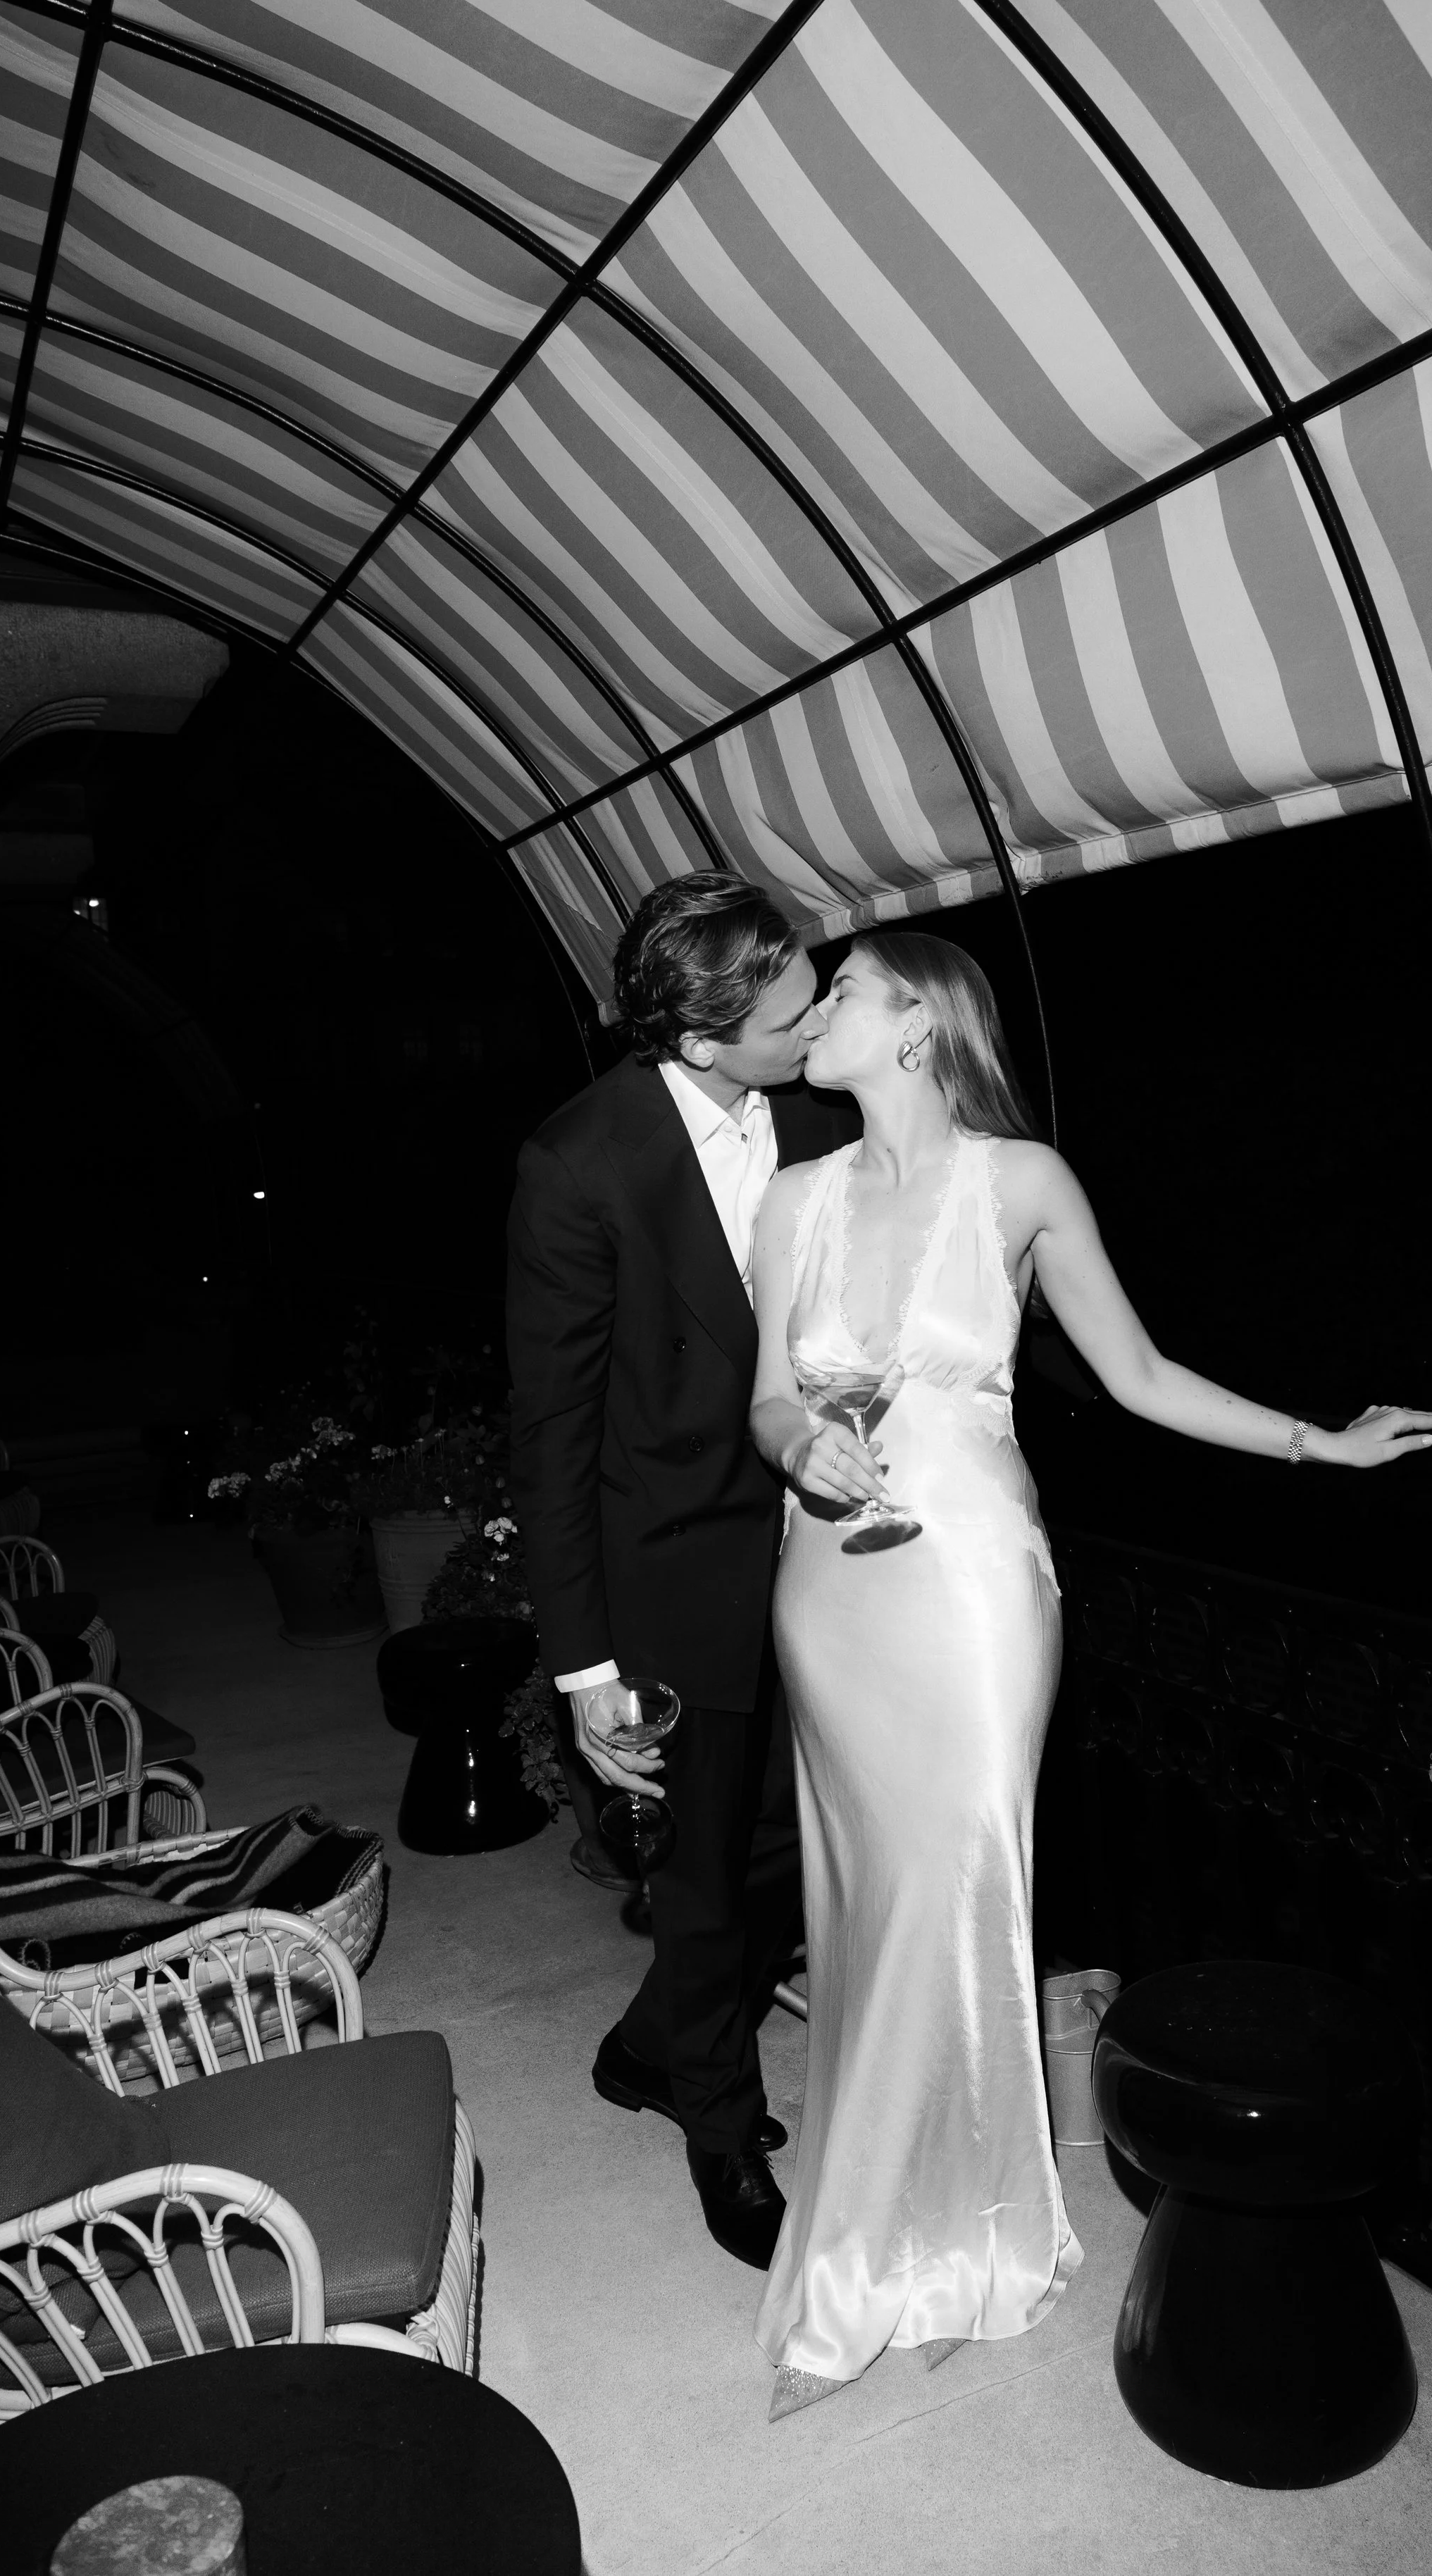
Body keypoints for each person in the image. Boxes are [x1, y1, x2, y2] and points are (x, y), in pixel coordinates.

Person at [747, 931, 1432, 2418]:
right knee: (866, 1905)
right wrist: (791, 1443)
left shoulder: (1021, 1184)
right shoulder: (793, 1198)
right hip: (826, 1587)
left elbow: (1136, 1378)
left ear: (920, 1026)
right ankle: (902, 2219)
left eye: (842, 993)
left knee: (957, 1887)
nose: (809, 1014)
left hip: (966, 1590)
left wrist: (1319, 1444)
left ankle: (937, 2245)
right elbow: (764, 1396)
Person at [506, 875, 854, 2269]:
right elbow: (554, 1432)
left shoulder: (828, 1114)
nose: (818, 1015)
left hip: (829, 1566)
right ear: (703, 1041)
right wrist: (584, 1669)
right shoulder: (578, 1163)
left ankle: (655, 2042)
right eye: (790, 1010)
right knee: (708, 1875)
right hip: (669, 1579)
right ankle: (716, 2123)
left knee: (789, 1865)